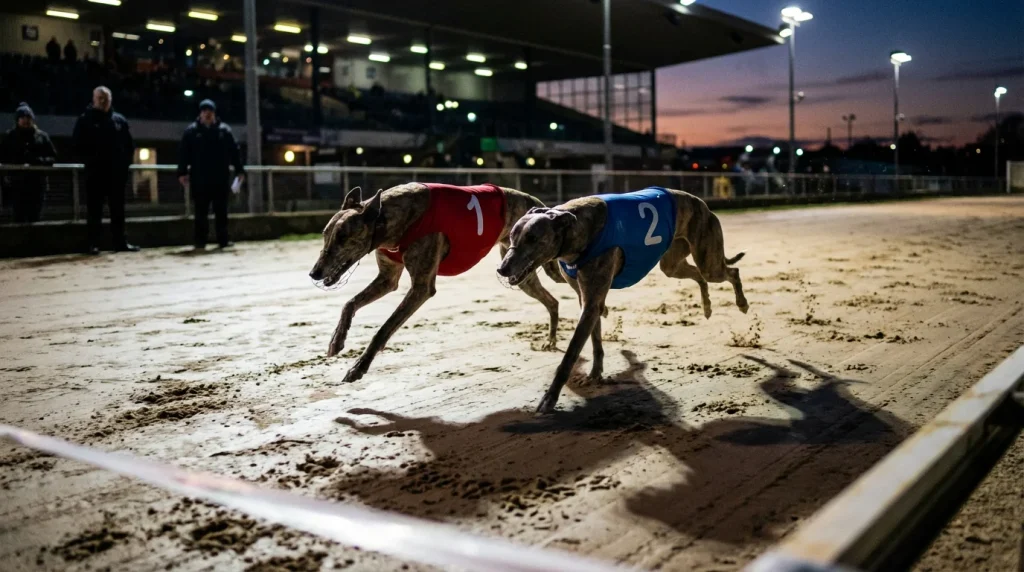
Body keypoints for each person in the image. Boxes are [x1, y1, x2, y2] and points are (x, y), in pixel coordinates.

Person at [72, 86, 138, 254]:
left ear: (111, 100)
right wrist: (91, 162)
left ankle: (120, 242)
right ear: (94, 99)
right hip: (95, 174)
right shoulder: (85, 119)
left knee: (118, 210)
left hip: (116, 174)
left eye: (106, 98)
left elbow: (129, 146)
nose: (103, 101)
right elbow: (77, 146)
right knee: (94, 210)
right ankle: (93, 244)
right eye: (100, 98)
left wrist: (124, 165)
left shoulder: (120, 120)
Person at [177, 99, 244, 250]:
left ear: (214, 113)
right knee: (200, 212)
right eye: (205, 111)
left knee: (221, 211)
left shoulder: (224, 131)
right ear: (200, 113)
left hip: (220, 177)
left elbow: (235, 152)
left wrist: (240, 170)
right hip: (199, 178)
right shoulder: (191, 132)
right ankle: (200, 241)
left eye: (210, 111)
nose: (207, 114)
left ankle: (223, 240)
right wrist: (181, 172)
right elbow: (183, 154)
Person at [1, 103, 58, 223]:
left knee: (35, 217)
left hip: (37, 184)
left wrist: (38, 162)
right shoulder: (9, 137)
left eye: (28, 118)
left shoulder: (42, 137)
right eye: (23, 118)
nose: (26, 121)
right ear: (17, 120)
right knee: (18, 217)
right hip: (17, 184)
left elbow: (53, 157)